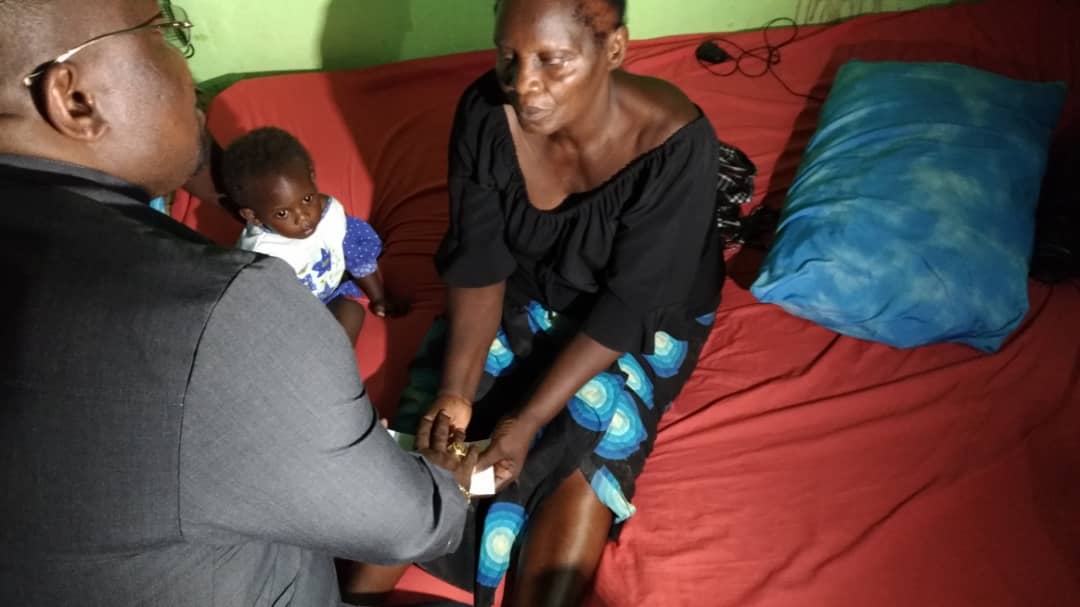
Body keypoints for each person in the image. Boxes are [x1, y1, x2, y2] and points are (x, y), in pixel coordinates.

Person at [0, 2, 475, 606]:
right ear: (75, 99)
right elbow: (411, 523)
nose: (189, 78)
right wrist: (446, 480)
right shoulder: (223, 311)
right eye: (166, 35)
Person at [345, 0, 730, 605]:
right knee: (438, 444)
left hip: (635, 313)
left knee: (592, 430)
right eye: (509, 56)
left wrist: (524, 422)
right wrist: (457, 392)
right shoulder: (485, 112)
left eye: (553, 61)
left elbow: (629, 306)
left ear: (615, 50)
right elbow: (478, 262)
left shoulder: (673, 144)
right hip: (520, 290)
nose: (523, 84)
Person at [223, 127, 408, 344]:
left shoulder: (329, 214)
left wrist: (379, 298)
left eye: (307, 199)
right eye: (282, 213)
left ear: (312, 178)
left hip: (329, 297)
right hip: (289, 320)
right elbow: (260, 309)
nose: (304, 217)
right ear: (253, 216)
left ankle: (336, 361)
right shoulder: (261, 256)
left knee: (352, 311)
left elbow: (356, 254)